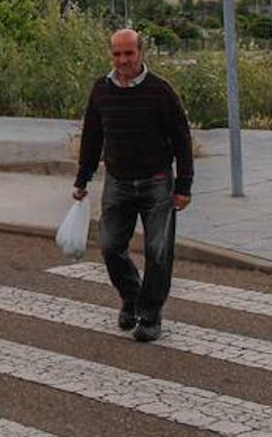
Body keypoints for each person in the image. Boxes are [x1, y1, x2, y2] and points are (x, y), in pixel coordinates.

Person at [72, 28, 193, 343]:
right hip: (118, 182)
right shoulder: (101, 90)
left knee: (158, 251)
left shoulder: (160, 91)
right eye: (117, 54)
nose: (123, 60)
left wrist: (184, 185)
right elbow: (92, 137)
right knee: (110, 246)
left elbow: (182, 139)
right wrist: (82, 179)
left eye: (129, 53)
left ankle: (150, 316)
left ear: (141, 53)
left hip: (157, 182)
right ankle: (131, 296)